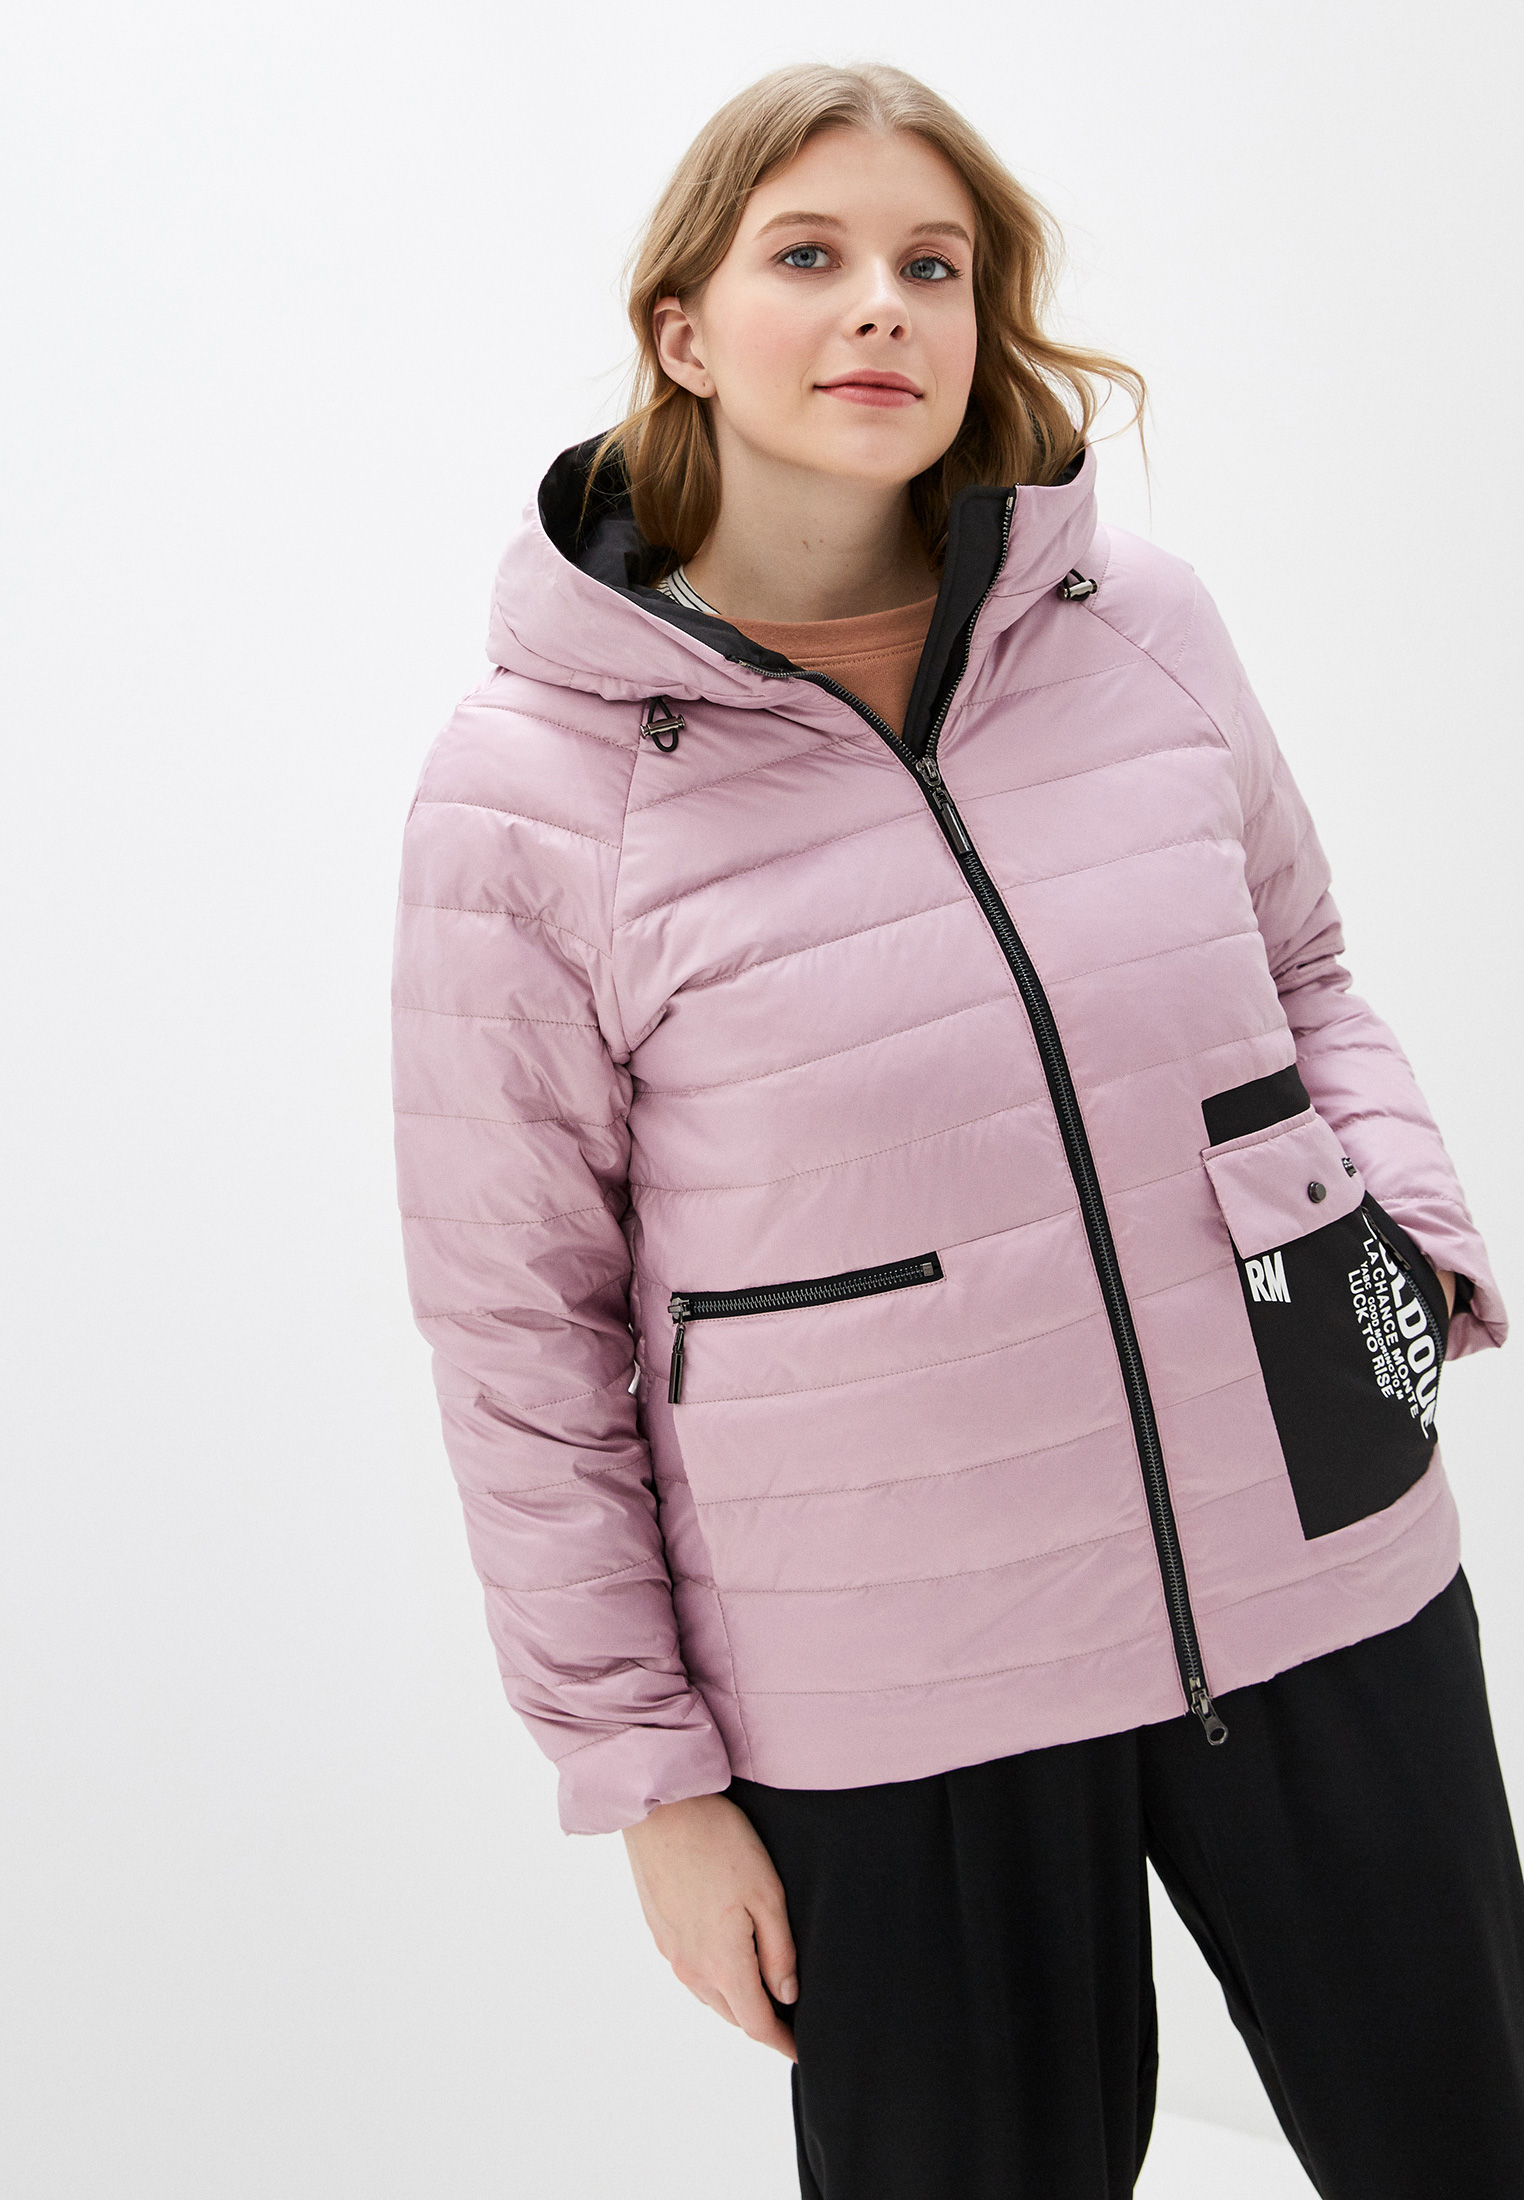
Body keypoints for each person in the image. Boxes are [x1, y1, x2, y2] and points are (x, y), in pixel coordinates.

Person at [392, 61, 1524, 2199]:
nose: (881, 308)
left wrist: (1407, 1262)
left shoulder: (1140, 629)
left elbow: (1307, 969)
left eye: (934, 265)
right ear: (682, 330)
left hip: (1317, 1552)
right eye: (809, 255)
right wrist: (649, 1777)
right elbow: (517, 1325)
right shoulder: (534, 787)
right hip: (893, 1669)